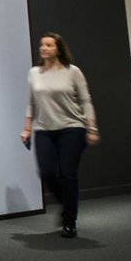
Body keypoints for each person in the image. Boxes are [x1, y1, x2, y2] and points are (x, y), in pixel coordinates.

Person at [21, 32, 99, 238]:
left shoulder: (72, 72)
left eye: (49, 45)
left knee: (67, 174)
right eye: (42, 45)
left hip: (72, 127)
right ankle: (67, 204)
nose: (44, 48)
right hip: (44, 129)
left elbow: (85, 101)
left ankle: (69, 221)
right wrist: (27, 129)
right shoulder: (34, 73)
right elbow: (31, 102)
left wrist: (92, 128)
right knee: (46, 172)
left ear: (58, 49)